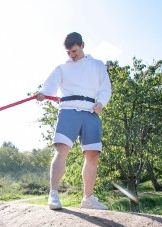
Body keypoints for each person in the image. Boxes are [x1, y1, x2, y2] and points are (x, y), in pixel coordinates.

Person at [37, 32, 112, 210]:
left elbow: (105, 87)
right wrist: (42, 93)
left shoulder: (97, 65)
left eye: (75, 51)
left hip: (90, 111)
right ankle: (53, 194)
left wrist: (101, 103)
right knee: (62, 149)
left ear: (82, 45)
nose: (72, 55)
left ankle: (88, 199)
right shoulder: (61, 68)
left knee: (92, 154)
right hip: (68, 110)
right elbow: (49, 87)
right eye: (69, 52)